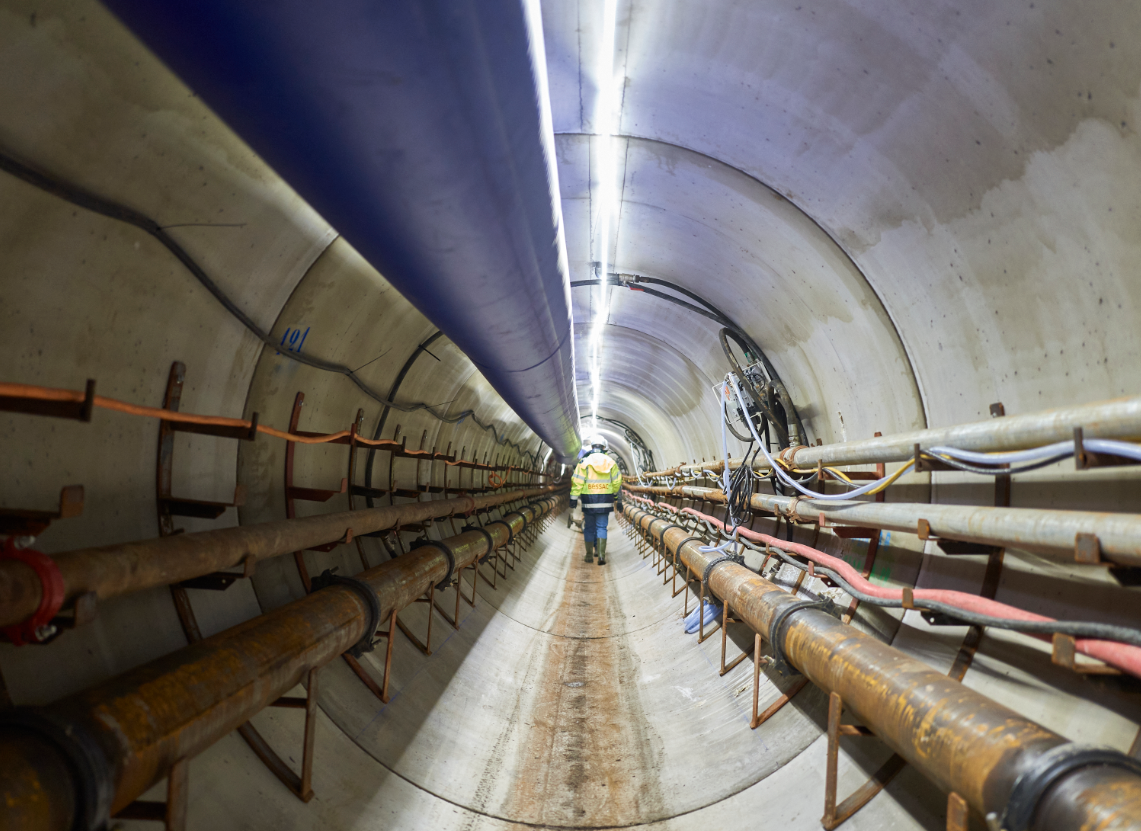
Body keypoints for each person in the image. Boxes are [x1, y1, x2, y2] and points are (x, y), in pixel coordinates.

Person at [568, 434, 623, 565]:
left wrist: (574, 498)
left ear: (592, 447)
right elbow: (617, 482)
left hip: (589, 501)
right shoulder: (611, 462)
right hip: (605, 501)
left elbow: (577, 481)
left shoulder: (584, 462)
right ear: (605, 448)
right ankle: (601, 556)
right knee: (602, 528)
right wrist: (617, 498)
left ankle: (588, 555)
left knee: (589, 528)